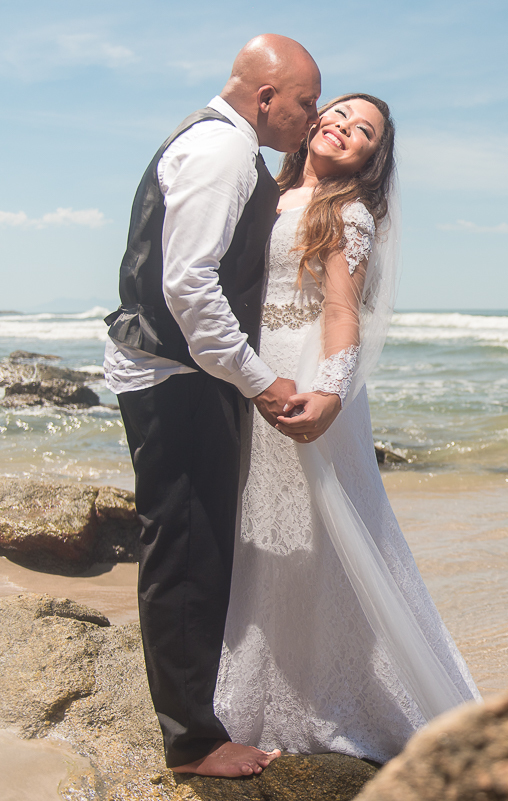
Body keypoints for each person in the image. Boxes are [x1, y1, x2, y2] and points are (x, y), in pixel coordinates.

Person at [213, 93, 480, 763]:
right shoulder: (262, 192)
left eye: (362, 131)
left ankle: (334, 696)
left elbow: (340, 314)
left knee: (328, 533)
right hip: (251, 371)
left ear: (369, 158)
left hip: (305, 376)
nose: (341, 127)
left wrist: (329, 392)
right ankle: (252, 685)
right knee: (261, 530)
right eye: (337, 112)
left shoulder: (347, 213)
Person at [102, 35, 321, 777]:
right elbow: (188, 286)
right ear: (266, 98)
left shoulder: (226, 146)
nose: (311, 117)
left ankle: (197, 711)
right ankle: (192, 740)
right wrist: (259, 380)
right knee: (188, 549)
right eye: (304, 102)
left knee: (196, 543)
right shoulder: (223, 152)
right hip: (175, 376)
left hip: (180, 372)